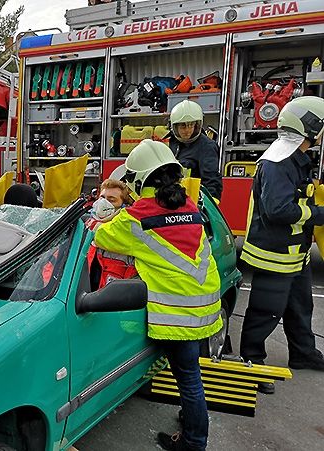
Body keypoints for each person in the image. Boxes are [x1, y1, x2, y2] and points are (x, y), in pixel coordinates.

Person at [94, 139, 222, 451]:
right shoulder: (190, 206)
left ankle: (194, 442)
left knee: (189, 379)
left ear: (138, 180)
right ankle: (193, 418)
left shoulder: (136, 218)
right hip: (205, 304)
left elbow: (99, 235)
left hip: (176, 313)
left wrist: (105, 212)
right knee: (191, 376)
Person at [240, 96, 324, 394]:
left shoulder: (295, 157)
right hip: (274, 254)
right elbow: (277, 210)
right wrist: (317, 215)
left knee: (301, 306)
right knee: (265, 311)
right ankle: (252, 362)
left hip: (294, 255)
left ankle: (302, 353)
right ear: (311, 127)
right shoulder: (278, 163)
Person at [86, 179, 138, 287]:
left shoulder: (127, 237)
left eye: (111, 200)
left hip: (112, 301)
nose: (104, 203)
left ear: (123, 207)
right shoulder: (85, 229)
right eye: (102, 198)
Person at [168, 100, 222, 201]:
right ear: (174, 127)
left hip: (195, 203)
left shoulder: (207, 147)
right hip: (174, 200)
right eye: (183, 126)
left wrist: (209, 206)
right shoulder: (173, 143)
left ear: (197, 125)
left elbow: (212, 181)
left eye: (191, 125)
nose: (187, 130)